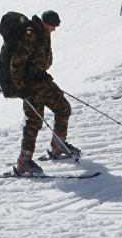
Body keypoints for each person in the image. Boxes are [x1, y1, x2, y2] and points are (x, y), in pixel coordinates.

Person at [10, 10, 80, 175]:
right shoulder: (30, 35)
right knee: (34, 121)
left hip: (43, 80)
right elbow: (16, 62)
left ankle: (59, 145)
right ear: (44, 22)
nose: (54, 29)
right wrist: (21, 87)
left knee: (63, 107)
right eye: (53, 26)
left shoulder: (44, 33)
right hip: (30, 86)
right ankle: (24, 161)